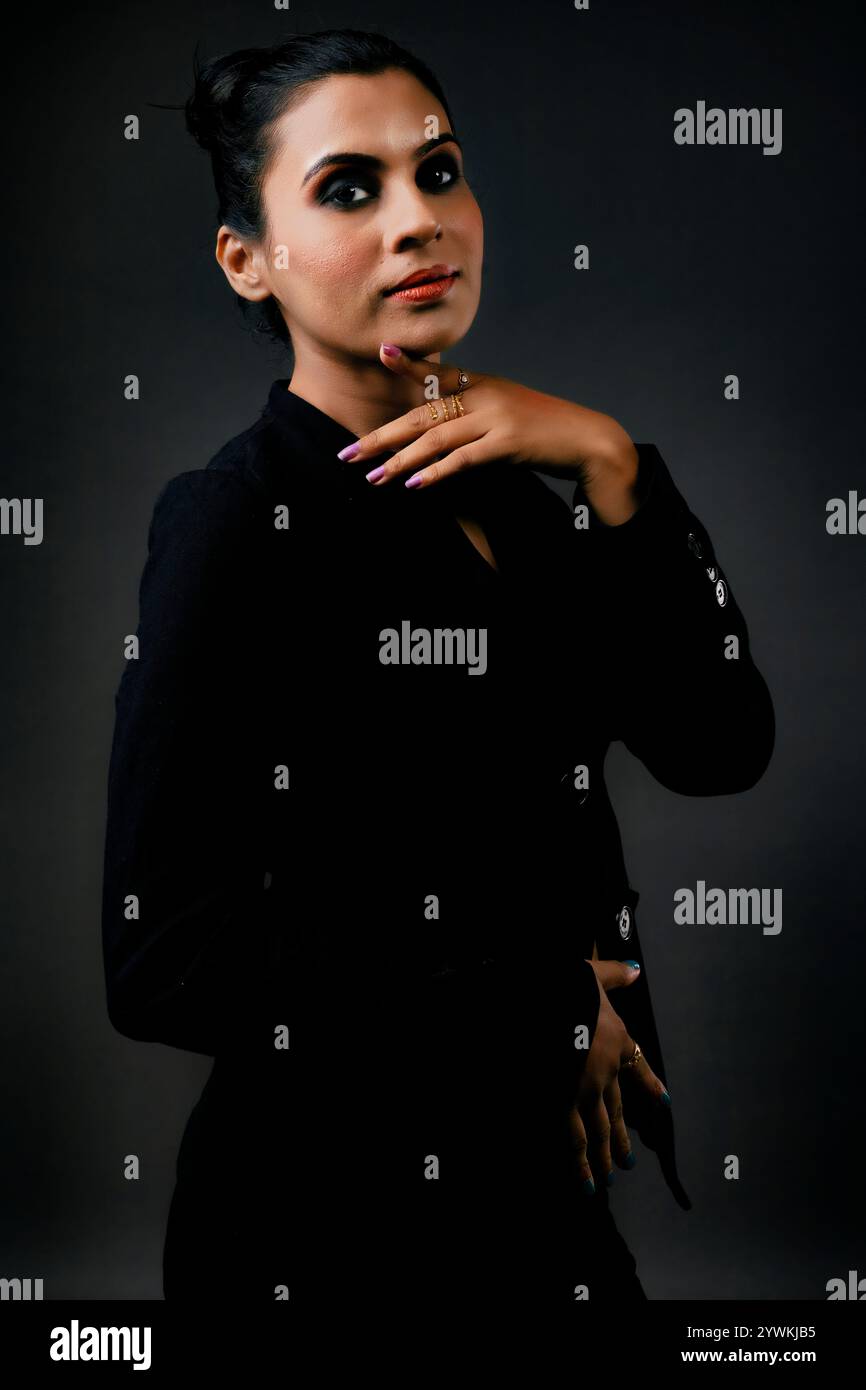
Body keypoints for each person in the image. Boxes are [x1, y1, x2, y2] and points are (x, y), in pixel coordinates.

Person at [101, 28, 775, 1312]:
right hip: (325, 1227)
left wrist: (609, 461)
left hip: (540, 1205)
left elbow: (718, 743)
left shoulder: (526, 505)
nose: (418, 218)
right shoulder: (236, 521)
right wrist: (533, 1002)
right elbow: (164, 959)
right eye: (348, 187)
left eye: (439, 171)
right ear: (247, 259)